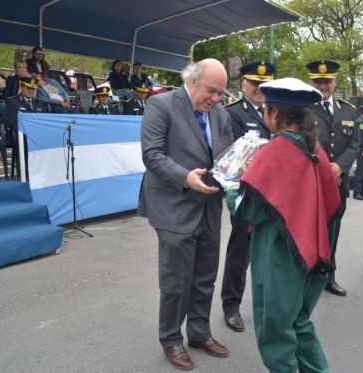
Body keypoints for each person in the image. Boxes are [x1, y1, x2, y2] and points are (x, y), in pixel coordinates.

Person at [226, 77, 340, 372]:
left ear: (274, 114)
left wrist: (230, 187)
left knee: (275, 333)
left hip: (278, 255)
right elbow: (333, 205)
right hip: (312, 254)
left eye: (266, 110)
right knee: (299, 323)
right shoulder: (316, 150)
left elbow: (250, 209)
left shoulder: (274, 152)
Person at [139, 58, 233, 371]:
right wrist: (185, 177)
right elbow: (152, 155)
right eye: (211, 90)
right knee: (176, 280)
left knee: (205, 276)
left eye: (220, 93)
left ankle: (199, 332)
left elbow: (227, 155)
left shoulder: (220, 114)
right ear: (192, 82)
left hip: (209, 205)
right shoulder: (161, 105)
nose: (216, 99)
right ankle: (170, 339)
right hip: (174, 205)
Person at [221, 60, 275, 333]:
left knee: (269, 254)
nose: (259, 89)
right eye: (254, 83)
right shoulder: (233, 114)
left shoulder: (278, 112)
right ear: (243, 84)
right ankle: (231, 306)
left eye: (264, 84)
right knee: (240, 253)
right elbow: (234, 159)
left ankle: (265, 306)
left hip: (275, 195)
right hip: (246, 194)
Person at [306, 59, 359, 296]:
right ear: (311, 81)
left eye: (326, 81)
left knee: (333, 231)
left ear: (335, 82)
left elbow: (355, 143)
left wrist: (340, 167)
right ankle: (307, 275)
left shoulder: (348, 110)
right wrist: (328, 170)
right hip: (313, 183)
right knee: (310, 231)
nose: (322, 85)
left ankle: (329, 275)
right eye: (318, 81)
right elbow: (303, 145)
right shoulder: (303, 108)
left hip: (339, 184)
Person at [4, 77, 47, 178]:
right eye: (28, 88)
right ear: (21, 87)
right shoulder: (13, 102)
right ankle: (26, 176)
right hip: (21, 134)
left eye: (33, 89)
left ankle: (45, 174)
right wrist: (29, 131)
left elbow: (44, 120)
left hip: (37, 134)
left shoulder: (39, 102)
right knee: (26, 140)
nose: (31, 91)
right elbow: (12, 122)